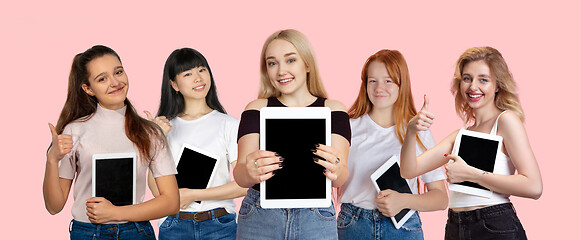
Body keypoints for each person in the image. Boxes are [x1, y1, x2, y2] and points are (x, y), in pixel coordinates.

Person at [400, 47, 543, 239]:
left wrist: (472, 174)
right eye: (467, 78)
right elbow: (409, 170)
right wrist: (411, 131)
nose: (473, 86)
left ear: (498, 85)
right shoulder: (459, 136)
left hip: (494, 225)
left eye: (483, 79)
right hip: (455, 226)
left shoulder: (506, 121)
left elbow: (533, 186)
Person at [42, 45, 179, 240]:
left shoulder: (150, 132)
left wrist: (114, 213)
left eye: (118, 72)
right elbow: (54, 207)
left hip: (137, 232)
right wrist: (52, 160)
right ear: (88, 88)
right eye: (102, 78)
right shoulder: (74, 131)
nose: (115, 82)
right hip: (88, 233)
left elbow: (171, 202)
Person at [233, 29, 351, 240]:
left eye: (290, 60)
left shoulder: (334, 110)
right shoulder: (256, 108)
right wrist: (250, 171)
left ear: (307, 64)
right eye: (272, 63)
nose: (280, 71)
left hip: (315, 216)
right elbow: (240, 174)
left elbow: (341, 176)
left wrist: (336, 168)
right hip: (260, 215)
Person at [338, 49, 448, 239]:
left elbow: (441, 198)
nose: (379, 88)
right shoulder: (348, 127)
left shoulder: (417, 130)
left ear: (401, 84)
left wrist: (404, 200)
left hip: (403, 228)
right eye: (372, 81)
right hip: (353, 226)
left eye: (388, 81)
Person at [145, 47, 247, 240]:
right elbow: (157, 189)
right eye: (188, 73)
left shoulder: (229, 125)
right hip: (174, 224)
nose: (198, 78)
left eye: (202, 70)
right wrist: (157, 140)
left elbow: (245, 185)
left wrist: (194, 194)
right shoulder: (166, 127)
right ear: (174, 84)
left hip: (219, 224)